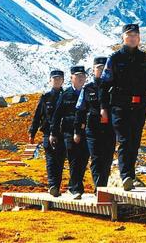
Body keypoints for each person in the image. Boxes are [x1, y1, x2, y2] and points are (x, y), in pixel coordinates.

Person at [99, 23, 146, 191]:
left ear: (139, 38)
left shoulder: (145, 59)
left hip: (140, 106)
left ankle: (130, 176)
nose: (132, 38)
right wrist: (103, 107)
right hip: (119, 106)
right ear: (123, 38)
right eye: (129, 35)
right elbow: (104, 85)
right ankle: (125, 175)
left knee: (135, 141)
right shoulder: (114, 59)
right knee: (125, 140)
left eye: (135, 35)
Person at [76, 56, 116, 189]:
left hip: (109, 128)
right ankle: (99, 189)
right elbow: (80, 110)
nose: (101, 70)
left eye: (104, 68)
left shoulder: (114, 87)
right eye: (98, 68)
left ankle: (103, 187)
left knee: (107, 159)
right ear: (93, 70)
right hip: (93, 128)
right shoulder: (87, 89)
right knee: (96, 158)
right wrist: (77, 130)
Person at [51, 65, 90, 199]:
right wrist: (53, 133)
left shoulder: (89, 92)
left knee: (83, 159)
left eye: (82, 76)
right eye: (77, 76)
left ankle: (73, 184)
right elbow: (57, 115)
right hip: (68, 131)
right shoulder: (66, 94)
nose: (80, 79)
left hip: (85, 131)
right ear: (71, 78)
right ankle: (76, 189)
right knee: (74, 159)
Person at [30, 69, 66, 197]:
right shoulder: (45, 98)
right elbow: (37, 116)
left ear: (63, 81)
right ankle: (52, 185)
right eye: (54, 79)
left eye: (59, 79)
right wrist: (32, 133)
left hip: (63, 134)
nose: (57, 81)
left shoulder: (67, 96)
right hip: (47, 133)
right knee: (50, 159)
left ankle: (56, 186)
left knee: (60, 161)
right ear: (50, 81)